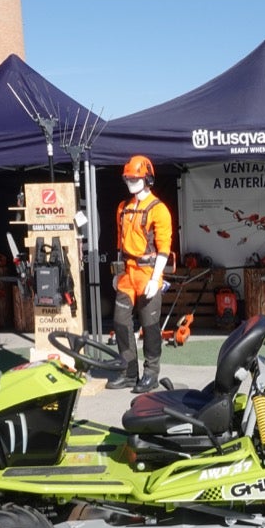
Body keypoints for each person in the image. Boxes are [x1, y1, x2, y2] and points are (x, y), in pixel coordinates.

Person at [107, 155, 173, 393]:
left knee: (151, 326)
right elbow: (119, 244)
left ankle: (151, 374)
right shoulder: (122, 208)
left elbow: (164, 248)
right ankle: (128, 372)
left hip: (147, 273)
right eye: (128, 178)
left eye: (135, 178)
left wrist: (156, 279)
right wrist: (117, 271)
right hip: (127, 273)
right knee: (121, 323)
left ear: (147, 178)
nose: (131, 182)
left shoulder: (159, 210)